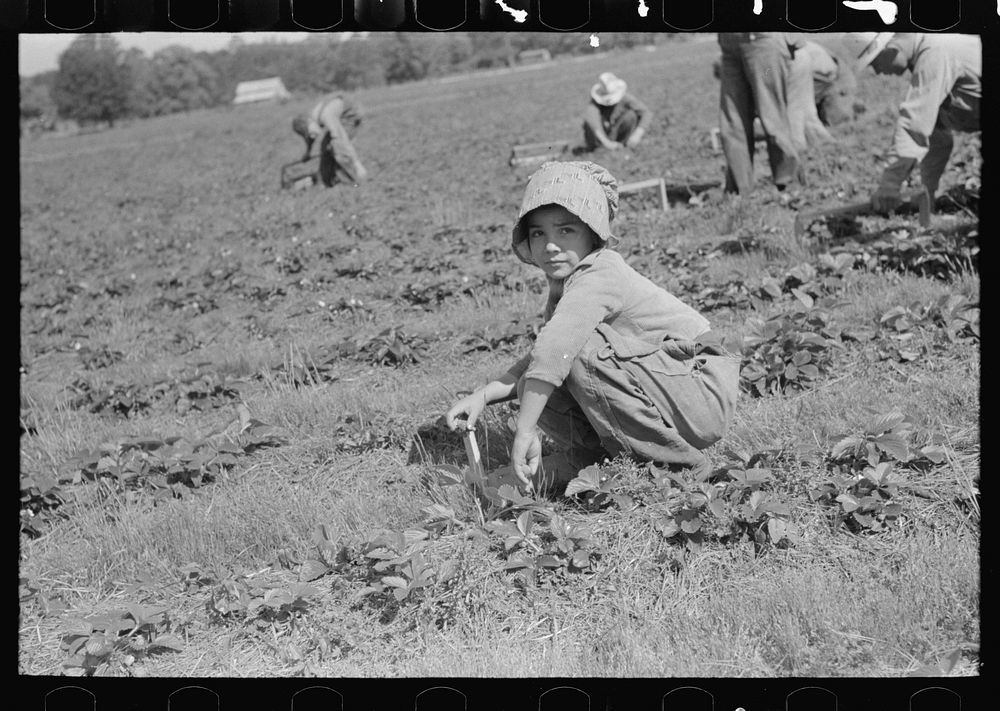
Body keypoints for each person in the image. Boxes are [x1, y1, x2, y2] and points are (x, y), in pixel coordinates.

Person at [444, 161, 741, 493]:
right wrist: (483, 396)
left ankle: (677, 467)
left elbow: (558, 350)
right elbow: (541, 359)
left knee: (580, 352)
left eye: (566, 230)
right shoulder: (565, 284)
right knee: (541, 374)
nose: (550, 245)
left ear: (594, 233)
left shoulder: (601, 272)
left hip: (700, 389)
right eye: (538, 233)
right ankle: (600, 461)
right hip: (668, 385)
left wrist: (524, 431)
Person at [842, 32, 981, 214]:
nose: (877, 72)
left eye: (875, 63)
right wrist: (926, 193)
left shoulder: (936, 52)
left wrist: (890, 185)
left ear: (891, 49)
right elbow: (935, 137)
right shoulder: (929, 54)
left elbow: (913, 124)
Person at [716, 33, 804, 195]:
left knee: (771, 113)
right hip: (730, 45)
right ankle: (739, 189)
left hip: (762, 43)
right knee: (732, 121)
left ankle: (787, 183)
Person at [291, 94, 369, 187]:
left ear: (309, 122)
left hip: (351, 116)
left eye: (310, 132)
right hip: (341, 117)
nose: (312, 135)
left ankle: (357, 180)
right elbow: (310, 138)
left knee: (337, 148)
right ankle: (328, 181)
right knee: (325, 148)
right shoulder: (313, 118)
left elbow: (340, 138)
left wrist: (357, 163)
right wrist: (308, 152)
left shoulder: (326, 115)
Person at [579, 72, 652, 152]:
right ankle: (598, 147)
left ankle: (623, 143)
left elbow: (646, 113)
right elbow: (593, 123)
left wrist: (637, 134)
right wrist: (607, 143)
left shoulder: (624, 97)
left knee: (631, 116)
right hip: (601, 136)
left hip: (615, 131)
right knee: (588, 124)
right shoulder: (594, 103)